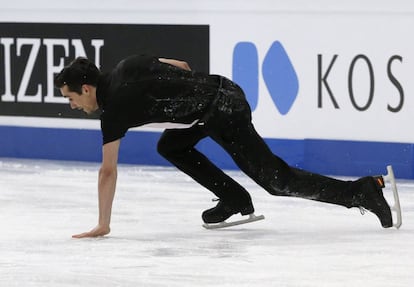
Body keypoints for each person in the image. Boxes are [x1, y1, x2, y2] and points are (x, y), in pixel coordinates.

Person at [54, 55, 393, 238]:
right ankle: (234, 198)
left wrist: (103, 223)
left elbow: (107, 170)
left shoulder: (113, 113)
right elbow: (182, 67)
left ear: (86, 89)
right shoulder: (126, 65)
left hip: (222, 110)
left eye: (70, 98)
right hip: (219, 94)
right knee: (170, 146)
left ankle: (361, 192)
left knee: (277, 181)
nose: (72, 106)